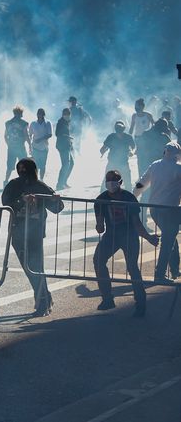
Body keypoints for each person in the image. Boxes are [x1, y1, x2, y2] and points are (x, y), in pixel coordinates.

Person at [1, 158, 64, 316]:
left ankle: (43, 302)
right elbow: (5, 202)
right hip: (18, 232)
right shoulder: (13, 185)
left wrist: (56, 199)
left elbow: (57, 207)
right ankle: (45, 297)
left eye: (26, 170)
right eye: (20, 170)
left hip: (35, 232)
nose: (24, 173)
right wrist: (21, 201)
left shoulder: (40, 186)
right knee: (28, 268)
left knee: (36, 267)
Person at [93, 170, 159, 317]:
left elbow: (137, 223)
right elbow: (100, 225)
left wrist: (148, 237)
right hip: (111, 236)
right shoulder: (101, 200)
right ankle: (107, 299)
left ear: (120, 182)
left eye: (114, 181)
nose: (111, 184)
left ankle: (141, 304)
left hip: (129, 236)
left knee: (132, 268)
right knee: (98, 260)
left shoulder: (129, 198)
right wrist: (99, 226)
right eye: (108, 181)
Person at [134, 142, 181, 283]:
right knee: (168, 241)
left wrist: (132, 197)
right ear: (177, 155)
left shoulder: (155, 165)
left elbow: (141, 183)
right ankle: (160, 274)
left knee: (170, 237)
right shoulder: (178, 169)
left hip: (154, 209)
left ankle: (174, 269)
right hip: (170, 210)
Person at [100, 120, 136, 189]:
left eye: (120, 128)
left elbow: (133, 147)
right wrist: (103, 150)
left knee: (127, 183)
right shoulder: (111, 136)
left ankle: (129, 195)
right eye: (118, 128)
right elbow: (103, 148)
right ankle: (103, 194)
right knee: (106, 182)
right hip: (112, 163)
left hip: (124, 163)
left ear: (123, 129)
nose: (119, 131)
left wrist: (132, 152)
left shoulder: (128, 137)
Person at [3, 105, 30, 186]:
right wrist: (30, 145)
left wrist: (9, 144)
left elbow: (5, 136)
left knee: (10, 166)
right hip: (20, 147)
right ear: (20, 113)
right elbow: (26, 135)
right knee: (24, 164)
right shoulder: (23, 123)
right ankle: (24, 181)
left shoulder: (8, 123)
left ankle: (6, 181)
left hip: (11, 147)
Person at [129, 98, 155, 175]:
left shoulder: (148, 115)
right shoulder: (134, 115)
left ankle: (149, 174)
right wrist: (128, 138)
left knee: (147, 156)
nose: (135, 107)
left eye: (137, 106)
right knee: (140, 157)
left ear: (142, 106)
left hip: (147, 138)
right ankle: (141, 175)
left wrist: (151, 134)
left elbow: (154, 125)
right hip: (137, 138)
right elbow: (131, 128)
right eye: (135, 106)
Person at [28, 108, 53, 180]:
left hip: (44, 147)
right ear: (37, 114)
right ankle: (35, 179)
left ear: (44, 115)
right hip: (35, 147)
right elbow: (30, 135)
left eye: (41, 114)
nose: (40, 115)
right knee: (35, 165)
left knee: (43, 165)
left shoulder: (48, 123)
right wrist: (30, 146)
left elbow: (50, 134)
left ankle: (41, 179)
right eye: (39, 114)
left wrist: (40, 139)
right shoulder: (33, 123)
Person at [55, 108, 74, 191]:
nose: (67, 116)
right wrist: (67, 136)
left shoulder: (67, 122)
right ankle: (59, 184)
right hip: (62, 146)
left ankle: (64, 182)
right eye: (66, 114)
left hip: (67, 145)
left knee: (71, 164)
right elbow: (57, 134)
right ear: (63, 115)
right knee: (65, 164)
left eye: (68, 114)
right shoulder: (60, 122)